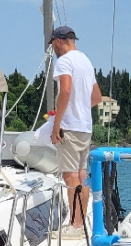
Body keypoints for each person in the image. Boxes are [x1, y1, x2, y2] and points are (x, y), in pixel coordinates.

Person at [35, 25, 102, 235]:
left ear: (57, 41)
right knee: (82, 175)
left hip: (70, 127)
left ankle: (75, 225)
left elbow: (64, 90)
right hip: (85, 127)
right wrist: (78, 106)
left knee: (70, 177)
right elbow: (97, 98)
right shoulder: (86, 61)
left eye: (53, 45)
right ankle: (81, 223)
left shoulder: (64, 61)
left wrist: (57, 124)